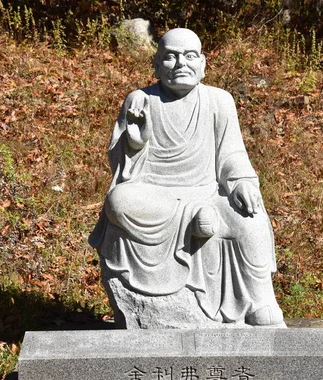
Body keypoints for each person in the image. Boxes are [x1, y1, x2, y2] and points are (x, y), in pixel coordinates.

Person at [89, 28, 285, 327]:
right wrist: (136, 144)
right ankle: (194, 220)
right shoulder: (140, 99)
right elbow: (120, 164)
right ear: (156, 65)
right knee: (119, 201)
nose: (181, 63)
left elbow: (231, 154)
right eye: (170, 57)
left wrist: (242, 182)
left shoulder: (219, 101)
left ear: (203, 64)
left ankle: (260, 299)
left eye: (190, 56)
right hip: (156, 194)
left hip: (206, 192)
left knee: (251, 217)